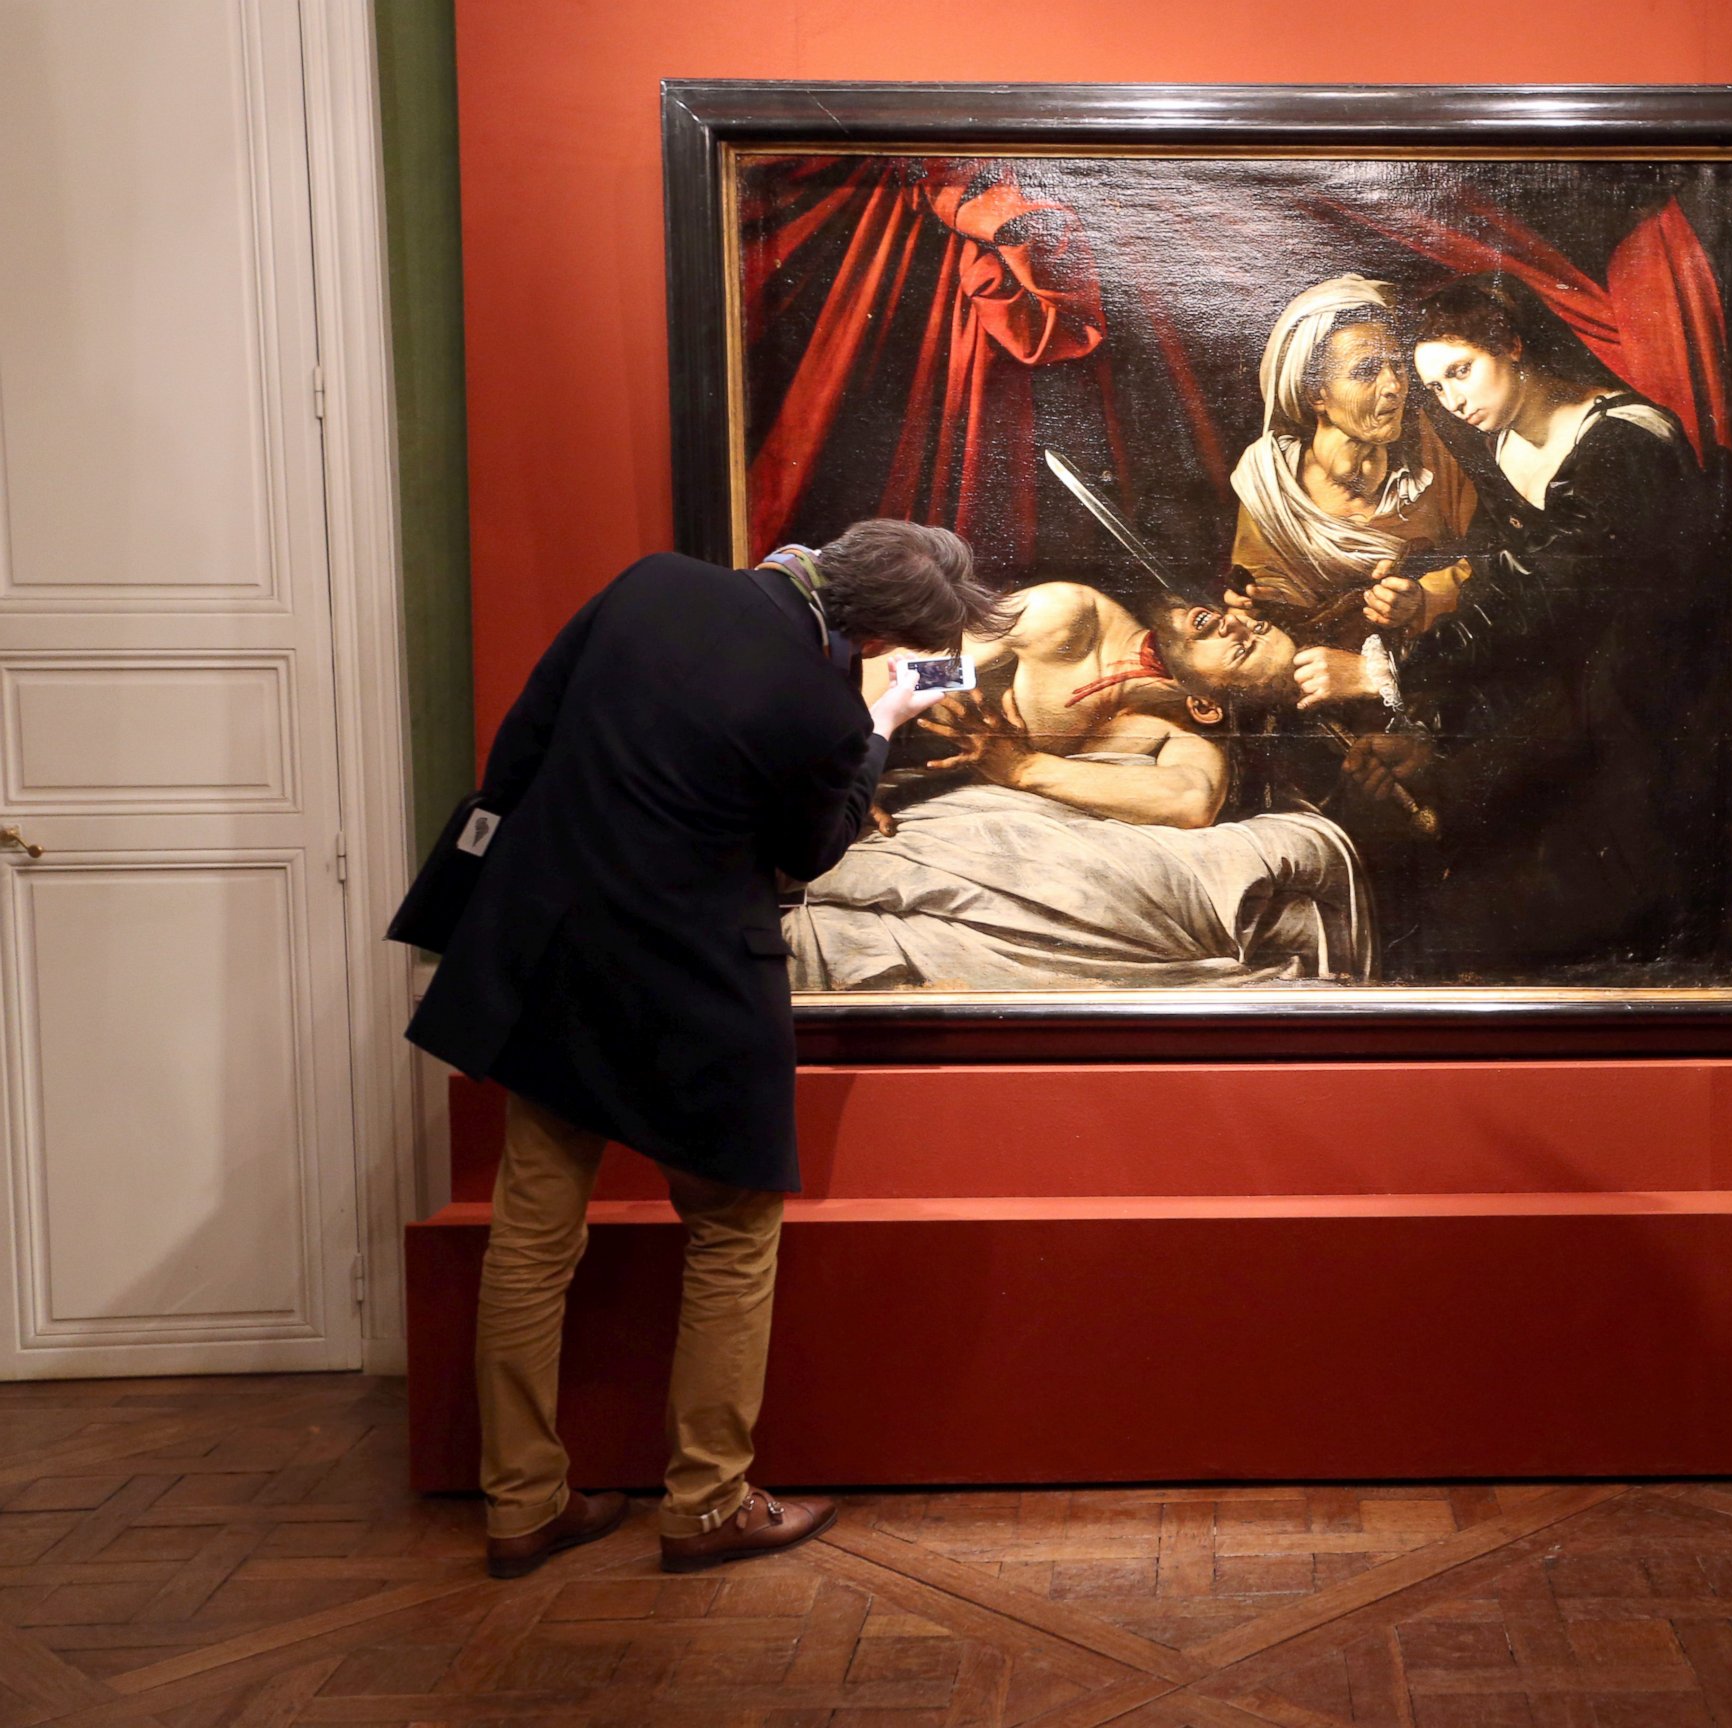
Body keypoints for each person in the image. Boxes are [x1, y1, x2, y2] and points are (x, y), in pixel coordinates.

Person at [402, 520, 1004, 1579]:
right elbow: (808, 852)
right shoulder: (824, 707)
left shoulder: (651, 584)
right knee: (731, 1236)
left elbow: (523, 743)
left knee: (532, 1238)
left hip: (551, 954)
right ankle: (707, 1503)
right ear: (879, 634)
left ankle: (521, 1506)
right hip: (693, 990)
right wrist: (878, 726)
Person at [1343, 274, 1730, 975]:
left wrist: (1396, 670)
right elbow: (1509, 576)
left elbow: (1547, 592)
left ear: (1513, 344)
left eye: (1462, 371)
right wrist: (1427, 618)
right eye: (1436, 388)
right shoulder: (1507, 446)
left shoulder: (1624, 443)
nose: (1453, 400)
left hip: (1653, 698)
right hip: (1571, 684)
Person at [784, 581, 1370, 991]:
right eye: (1254, 623)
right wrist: (839, 780)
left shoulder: (1172, 729)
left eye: (1240, 648)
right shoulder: (1065, 624)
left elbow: (1192, 801)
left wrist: (1023, 770)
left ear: (1207, 704)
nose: (1232, 622)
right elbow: (902, 677)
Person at [1228, 275, 1478, 643]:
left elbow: (1491, 557)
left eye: (1397, 366)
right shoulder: (1269, 482)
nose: (1394, 386)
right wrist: (1258, 604)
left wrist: (1425, 598)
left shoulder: (1432, 445)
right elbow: (1269, 591)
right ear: (1317, 394)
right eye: (1366, 372)